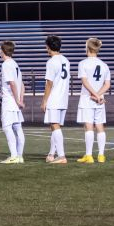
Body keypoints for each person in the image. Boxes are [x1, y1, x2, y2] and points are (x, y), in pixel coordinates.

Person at [76, 38, 110, 164]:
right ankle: (101, 155)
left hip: (87, 99)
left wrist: (94, 95)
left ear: (88, 48)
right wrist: (99, 95)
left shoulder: (83, 63)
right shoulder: (104, 65)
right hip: (99, 100)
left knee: (89, 126)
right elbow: (107, 84)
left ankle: (89, 156)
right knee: (100, 126)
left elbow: (85, 82)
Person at [41, 35, 71, 164]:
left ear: (48, 47)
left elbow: (49, 83)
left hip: (54, 98)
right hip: (63, 98)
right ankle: (52, 154)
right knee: (55, 127)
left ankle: (62, 156)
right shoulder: (66, 60)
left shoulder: (51, 61)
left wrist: (44, 100)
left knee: (54, 125)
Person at [0, 41, 26, 164]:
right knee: (18, 128)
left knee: (7, 127)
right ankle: (19, 156)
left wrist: (17, 100)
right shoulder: (15, 64)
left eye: (0, 49)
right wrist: (20, 100)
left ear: (3, 51)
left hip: (9, 101)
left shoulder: (6, 64)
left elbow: (12, 84)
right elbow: (22, 85)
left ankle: (14, 155)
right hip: (15, 102)